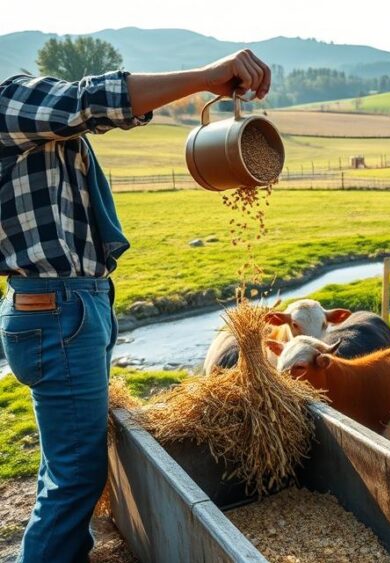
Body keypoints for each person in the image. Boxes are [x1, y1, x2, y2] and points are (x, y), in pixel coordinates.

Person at [0, 50, 271, 563]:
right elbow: (92, 100)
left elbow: (91, 113)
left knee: (66, 469)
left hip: (69, 305)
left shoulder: (32, 122)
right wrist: (204, 76)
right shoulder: (9, 103)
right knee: (77, 476)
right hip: (58, 309)